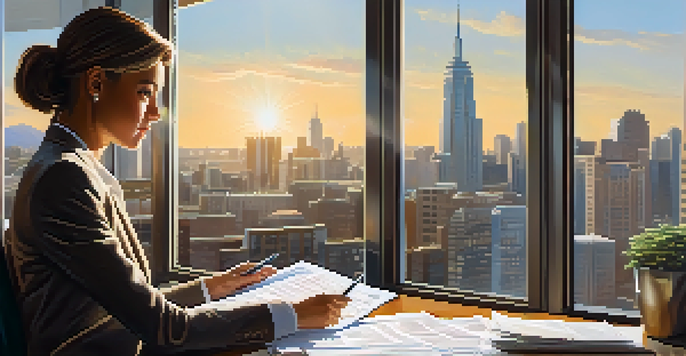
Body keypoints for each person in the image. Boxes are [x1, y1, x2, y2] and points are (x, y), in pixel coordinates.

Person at [3, 6, 350, 356]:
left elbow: (128, 308)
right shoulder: (63, 179)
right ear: (95, 83)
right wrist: (289, 316)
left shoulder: (75, 166)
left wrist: (213, 287)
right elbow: (160, 327)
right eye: (144, 92)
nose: (155, 112)